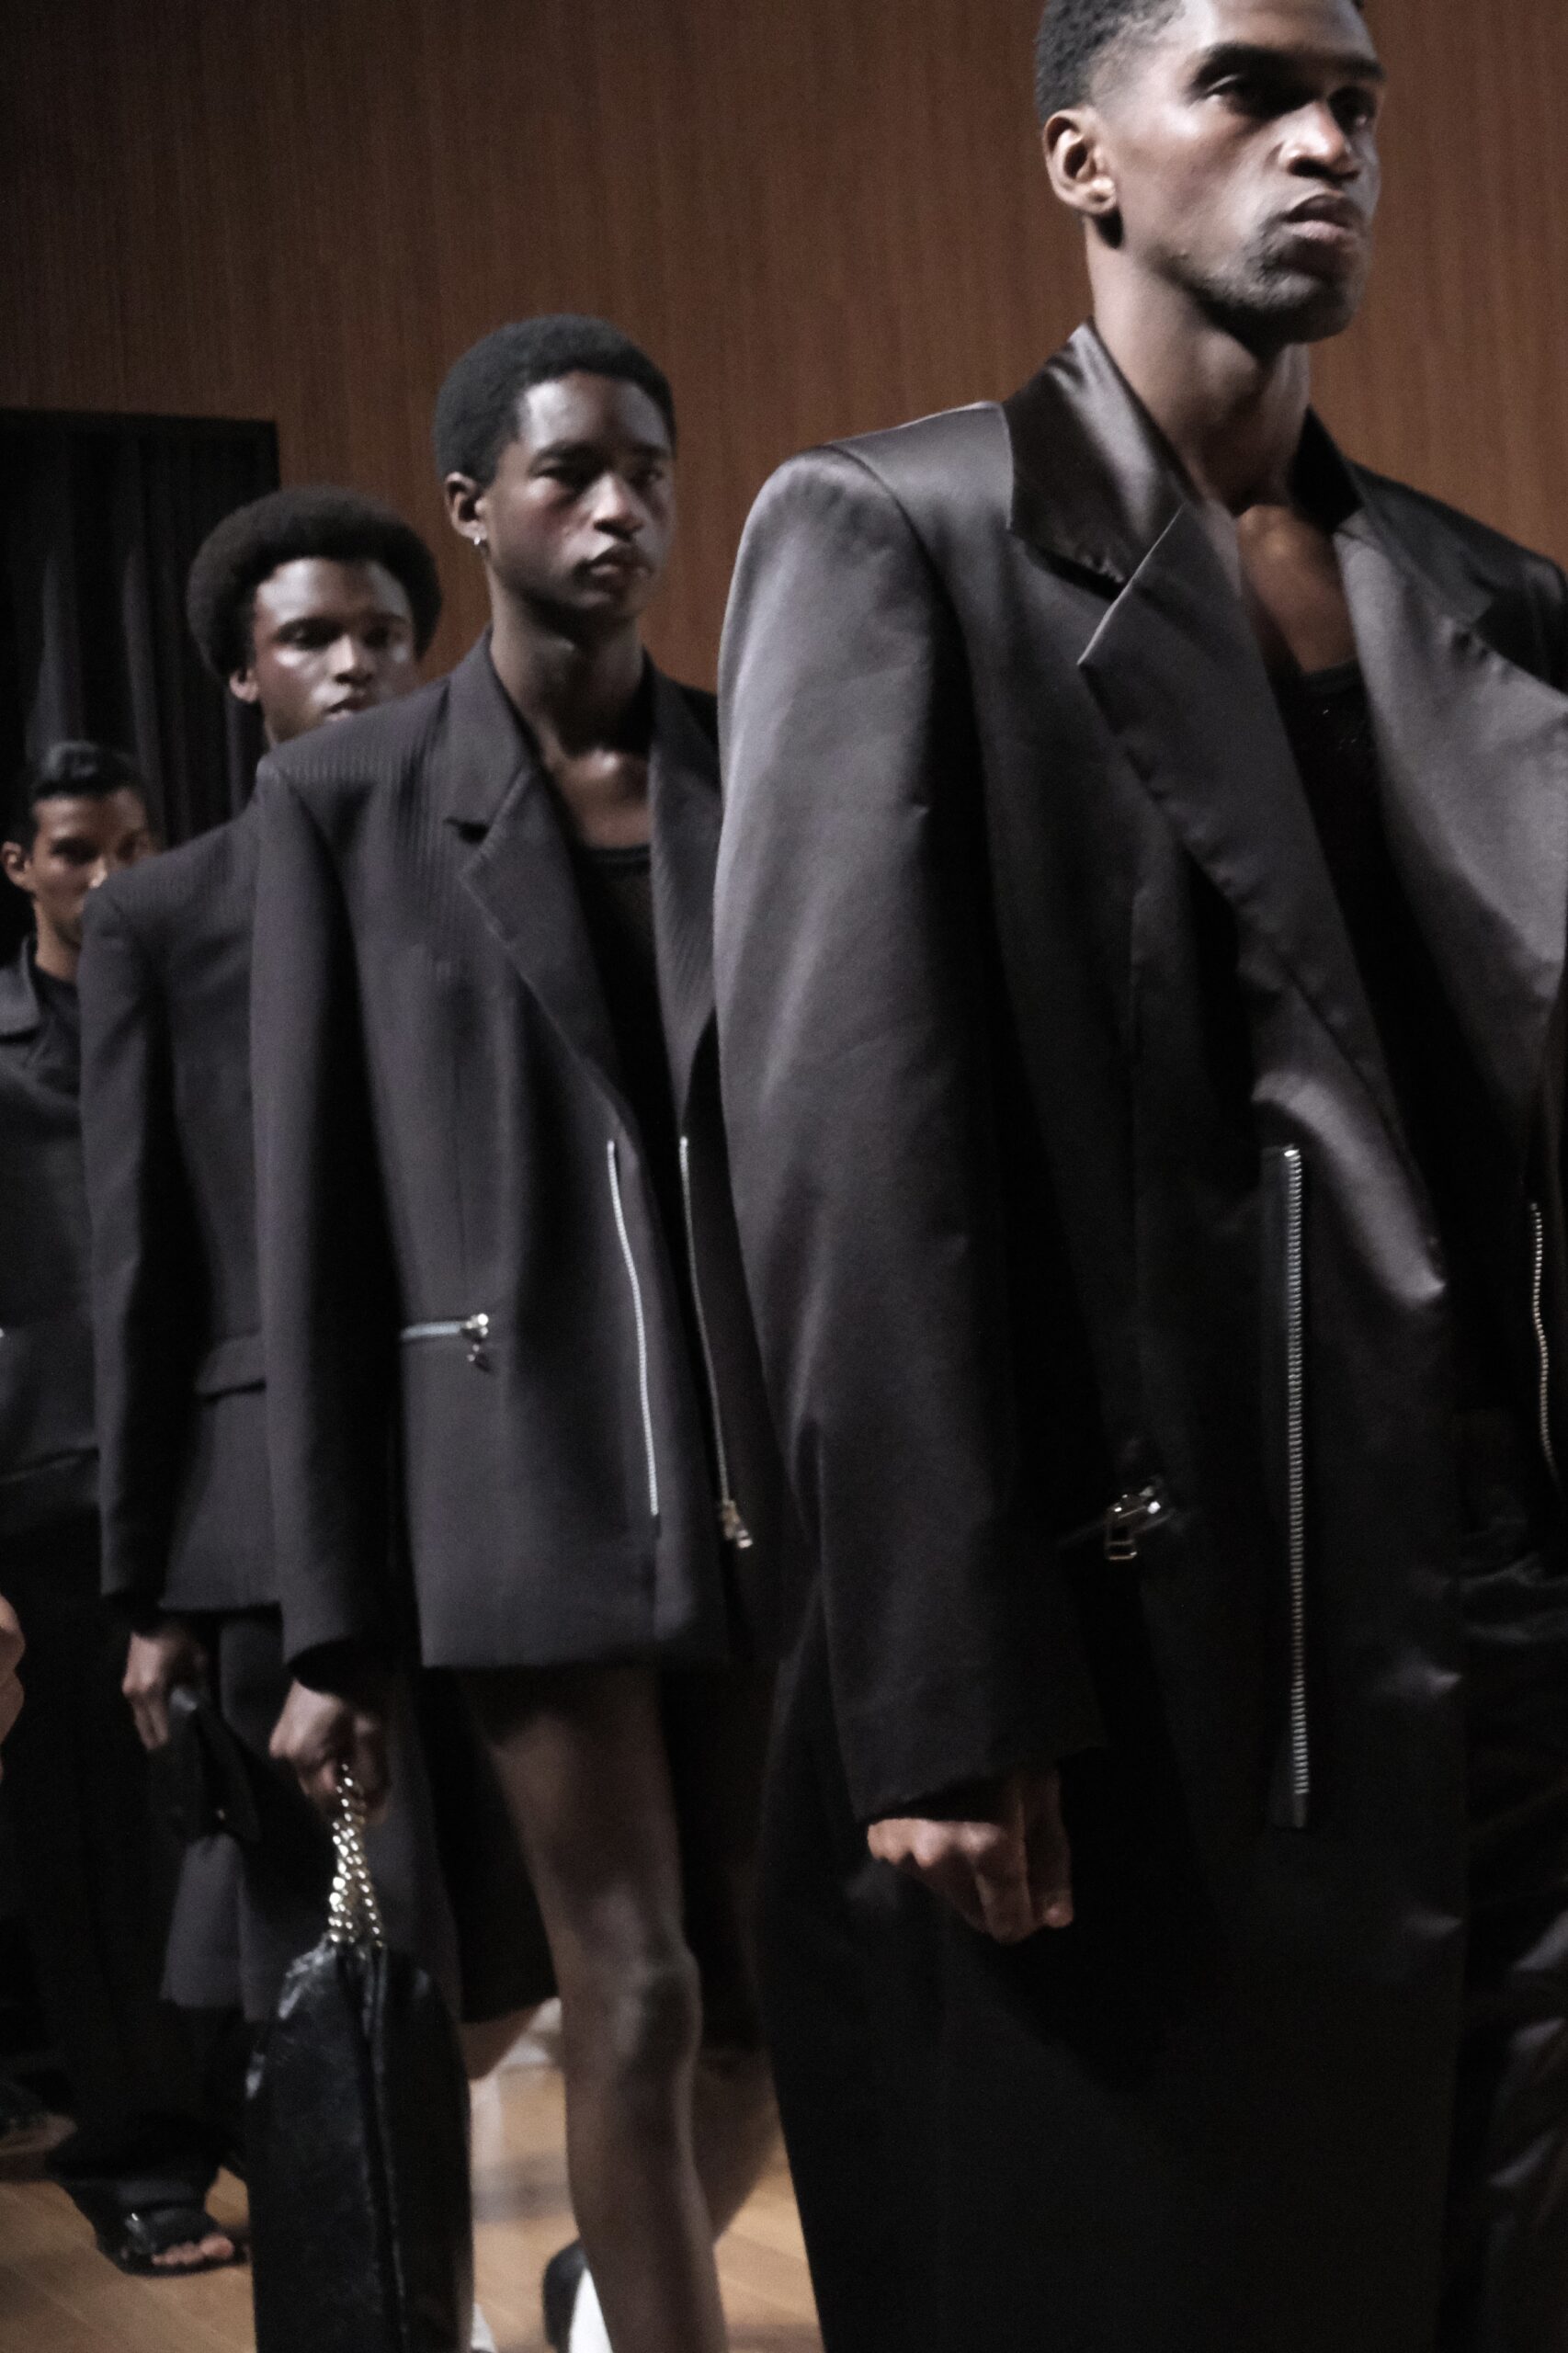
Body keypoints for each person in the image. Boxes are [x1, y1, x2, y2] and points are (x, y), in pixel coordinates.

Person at [716, 4, 1568, 2348]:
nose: (1326, 143)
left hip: (1495, 1596)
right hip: (1157, 1637)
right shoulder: (897, 533)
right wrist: (936, 1681)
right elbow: (848, 1157)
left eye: (1358, 104)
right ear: (1082, 160)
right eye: (1253, 90)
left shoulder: (1482, 593)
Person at [250, 316, 790, 2353]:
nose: (620, 507)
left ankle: (600, 2290)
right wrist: (331, 1625)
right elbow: (313, 1228)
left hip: (764, 1467)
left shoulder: (758, 760)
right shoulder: (348, 804)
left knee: (767, 1999)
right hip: (520, 1474)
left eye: (648, 468)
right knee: (629, 1982)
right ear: (475, 507)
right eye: (571, 472)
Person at [0, 741, 239, 2274]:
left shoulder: (202, 1014)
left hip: (215, 1482)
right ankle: (140, 2161)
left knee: (228, 1825)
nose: (110, 874)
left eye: (135, 845)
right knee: (95, 1853)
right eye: (78, 850)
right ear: (21, 867)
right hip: (51, 1500)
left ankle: (254, 2117)